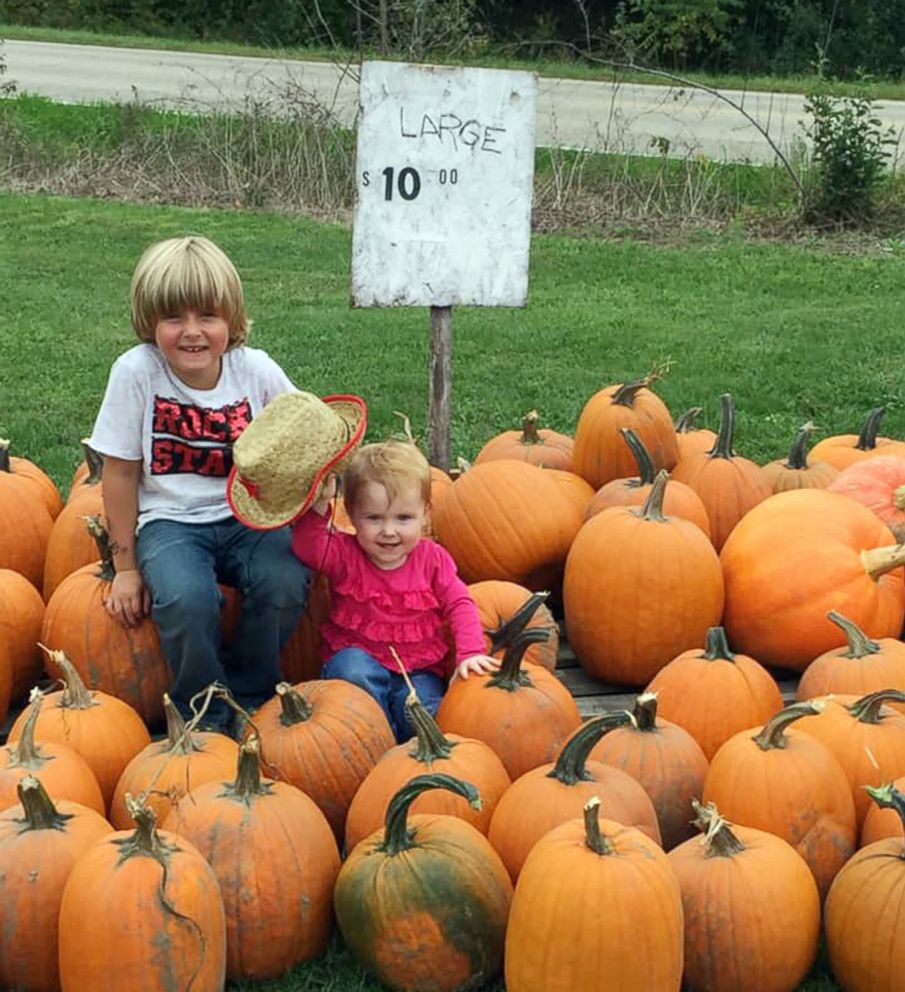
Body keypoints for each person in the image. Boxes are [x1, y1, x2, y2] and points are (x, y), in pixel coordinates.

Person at [90, 234, 315, 733]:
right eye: (174, 318)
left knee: (285, 579)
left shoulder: (253, 371)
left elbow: (305, 430)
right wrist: (124, 567)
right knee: (186, 597)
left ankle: (253, 691)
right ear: (150, 321)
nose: (192, 332)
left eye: (207, 316)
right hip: (169, 521)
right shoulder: (136, 374)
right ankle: (206, 709)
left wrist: (318, 481)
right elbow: (121, 474)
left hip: (247, 516)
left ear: (231, 321)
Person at [291, 440, 499, 742]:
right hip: (361, 662)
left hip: (419, 671)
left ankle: (409, 750)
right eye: (374, 518)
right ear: (351, 513)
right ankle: (375, 740)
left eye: (403, 518)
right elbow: (308, 546)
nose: (389, 531)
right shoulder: (345, 555)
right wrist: (320, 504)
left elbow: (460, 603)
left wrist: (470, 653)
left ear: (425, 514)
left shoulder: (433, 560)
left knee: (427, 713)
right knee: (351, 672)